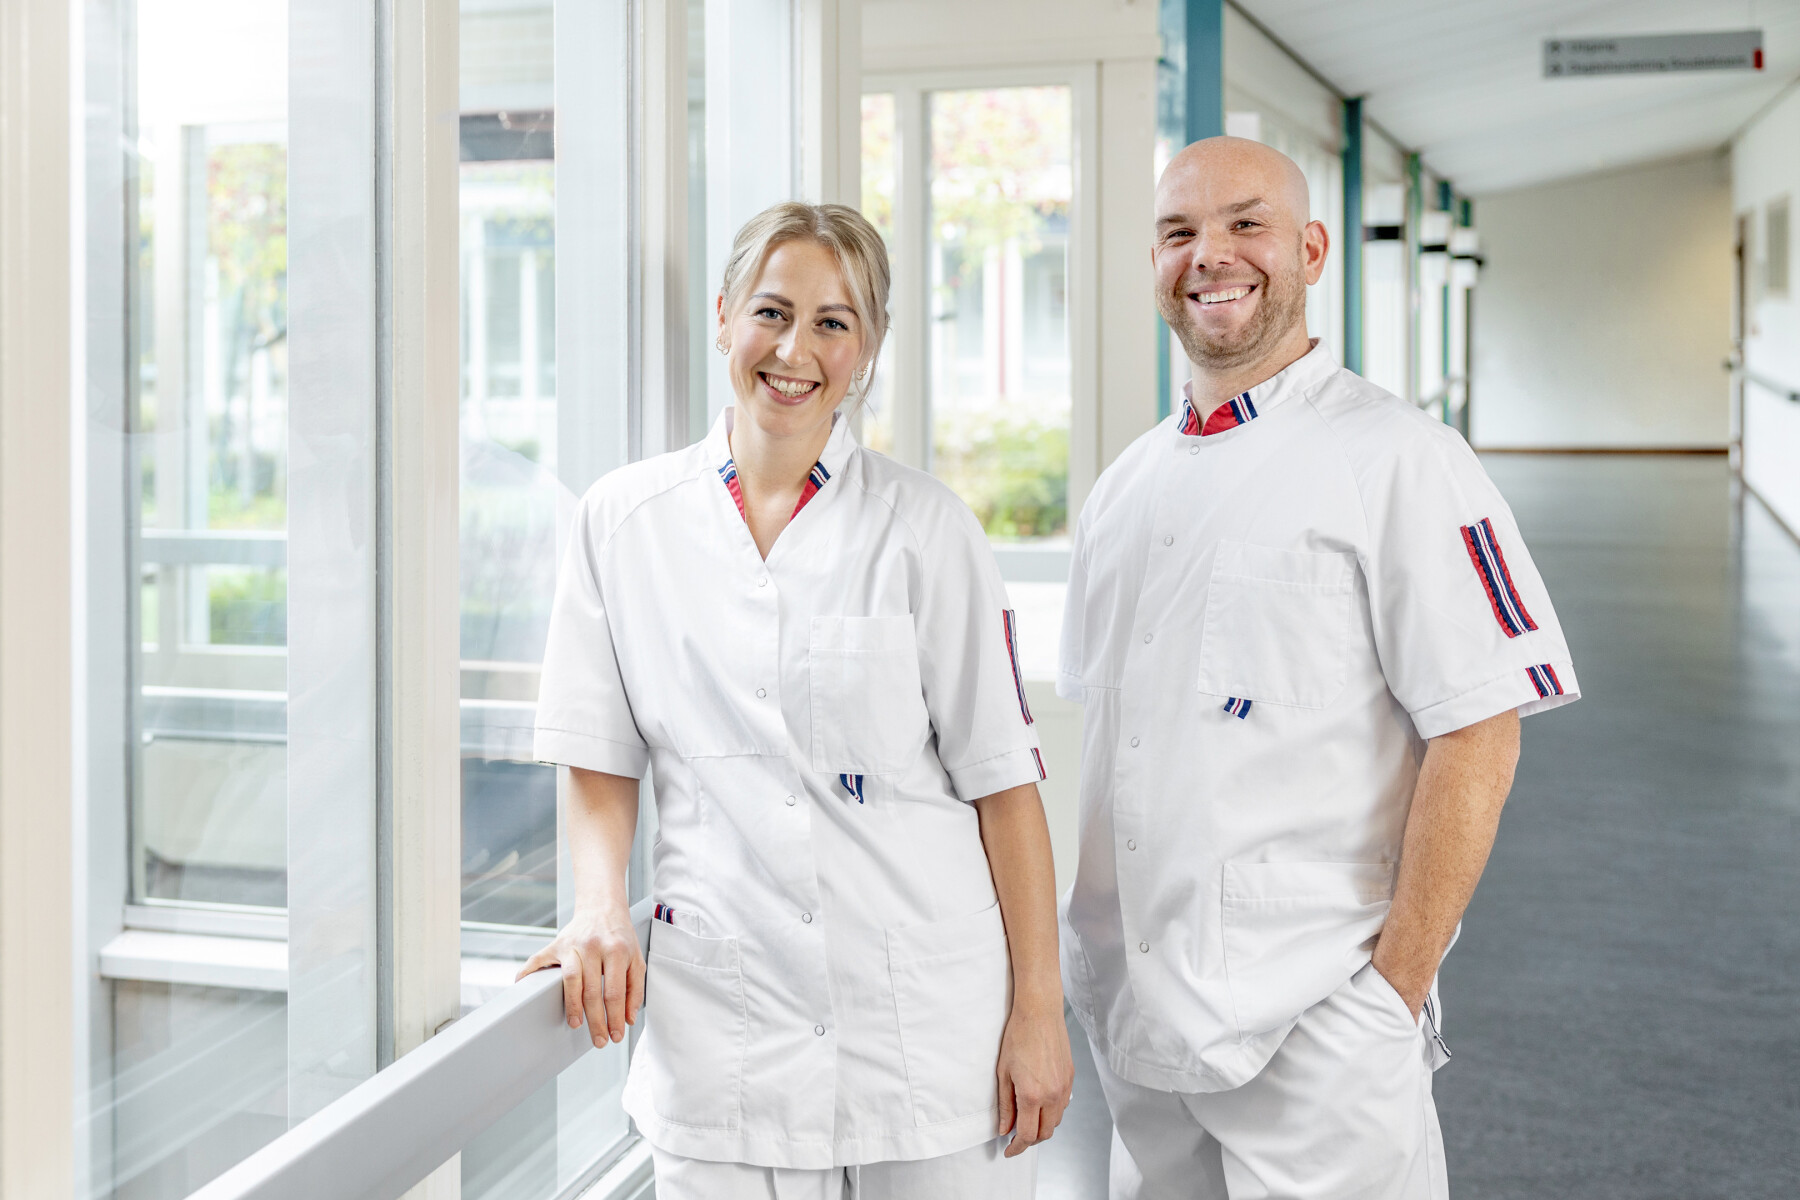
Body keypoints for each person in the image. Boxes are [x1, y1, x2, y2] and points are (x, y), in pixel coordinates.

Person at [1057, 136, 1579, 1199]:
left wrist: (1393, 993)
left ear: (1311, 249)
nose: (1211, 254)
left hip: (1318, 1033)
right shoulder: (1123, 490)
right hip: (1138, 1030)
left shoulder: (1402, 460)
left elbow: (1479, 732)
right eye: (1178, 231)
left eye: (1245, 223)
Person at [521, 201, 1074, 1200]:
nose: (794, 350)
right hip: (723, 1035)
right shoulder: (623, 521)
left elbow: (1004, 787)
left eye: (833, 322)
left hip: (925, 1035)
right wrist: (598, 907)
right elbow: (598, 750)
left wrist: (1039, 1009)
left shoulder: (926, 529)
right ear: (725, 316)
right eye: (772, 312)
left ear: (867, 348)